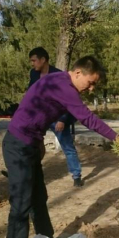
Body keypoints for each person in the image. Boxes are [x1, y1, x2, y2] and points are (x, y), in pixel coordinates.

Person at [2, 56, 119, 238]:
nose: (91, 89)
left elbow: (34, 107)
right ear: (78, 73)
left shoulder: (57, 81)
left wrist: (38, 140)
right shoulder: (65, 86)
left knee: (39, 198)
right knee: (21, 207)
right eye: (90, 83)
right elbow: (88, 119)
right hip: (18, 147)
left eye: (94, 85)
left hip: (29, 143)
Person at [28, 47, 83, 187]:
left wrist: (62, 119)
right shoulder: (33, 75)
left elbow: (67, 100)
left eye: (34, 60)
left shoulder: (59, 75)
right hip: (39, 117)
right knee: (28, 144)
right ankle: (26, 173)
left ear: (43, 60)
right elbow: (32, 95)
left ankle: (76, 175)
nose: (32, 64)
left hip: (57, 117)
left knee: (67, 146)